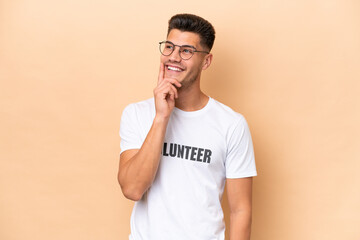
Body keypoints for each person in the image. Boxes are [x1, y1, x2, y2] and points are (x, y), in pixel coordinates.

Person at [118, 13, 257, 240]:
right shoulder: (137, 114)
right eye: (169, 47)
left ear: (206, 61)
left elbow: (240, 211)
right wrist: (162, 117)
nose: (174, 57)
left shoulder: (231, 124)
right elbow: (132, 189)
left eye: (186, 51)